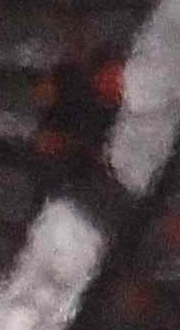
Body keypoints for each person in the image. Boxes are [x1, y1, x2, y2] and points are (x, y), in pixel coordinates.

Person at [25, 14, 125, 201]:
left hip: (88, 153)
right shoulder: (59, 76)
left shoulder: (106, 71)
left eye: (80, 41)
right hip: (70, 157)